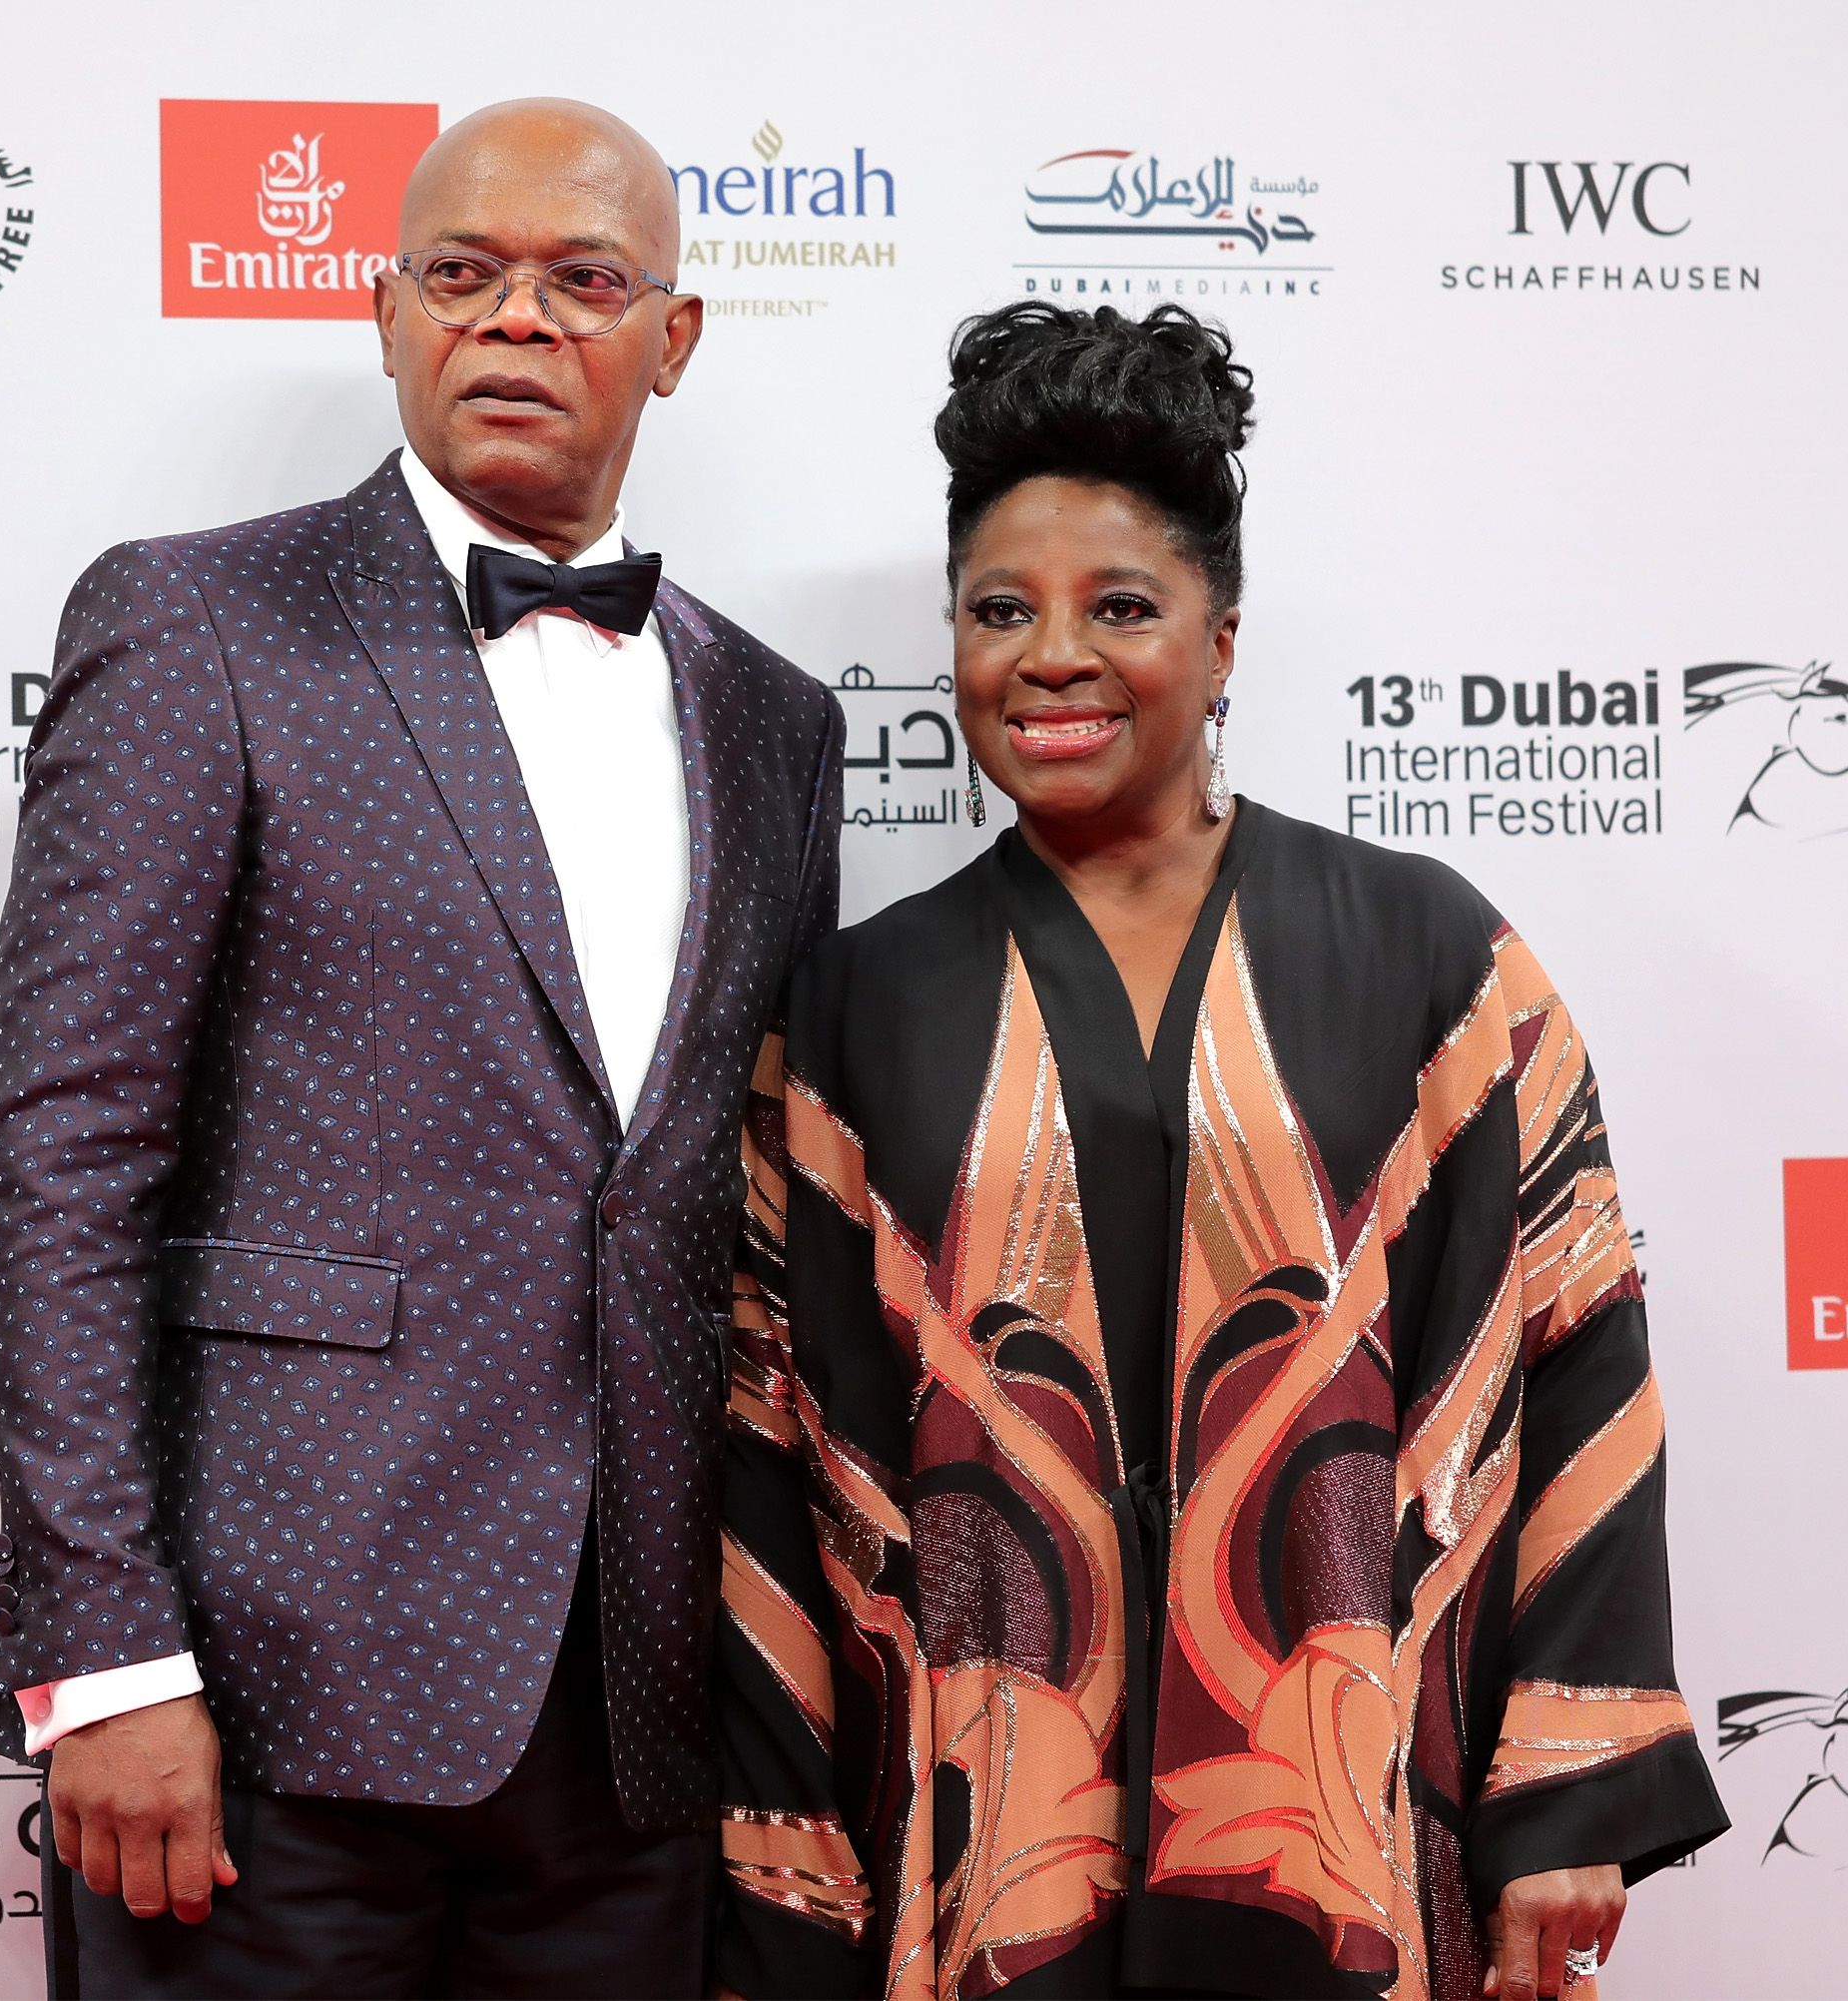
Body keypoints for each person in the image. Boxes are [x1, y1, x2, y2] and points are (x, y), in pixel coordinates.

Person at [713, 303, 1725, 2001]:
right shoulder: (853, 1007)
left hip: (1341, 1831)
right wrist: (788, 1866)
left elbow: (1579, 1363)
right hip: (984, 1854)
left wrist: (1565, 1800)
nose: (1051, 656)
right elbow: (772, 1448)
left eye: (1123, 607)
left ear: (1226, 636)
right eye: (998, 610)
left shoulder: (1429, 959)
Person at [0, 98, 843, 1999]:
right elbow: (63, 1155)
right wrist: (101, 1646)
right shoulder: (200, 621)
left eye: (583, 280)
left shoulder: (775, 719)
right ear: (384, 314)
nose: (515, 319)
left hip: (639, 1725)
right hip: (256, 1707)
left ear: (673, 340)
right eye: (463, 272)